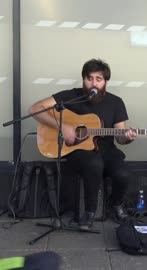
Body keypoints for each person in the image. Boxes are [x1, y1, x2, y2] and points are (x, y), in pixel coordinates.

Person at [29, 58, 136, 230]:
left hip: (107, 150)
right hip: (79, 151)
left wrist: (128, 137)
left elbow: (120, 137)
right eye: (89, 78)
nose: (93, 83)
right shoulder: (72, 96)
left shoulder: (116, 102)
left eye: (99, 79)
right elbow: (34, 109)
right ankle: (89, 213)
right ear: (83, 79)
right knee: (94, 163)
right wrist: (63, 126)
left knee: (123, 174)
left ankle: (116, 205)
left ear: (106, 82)